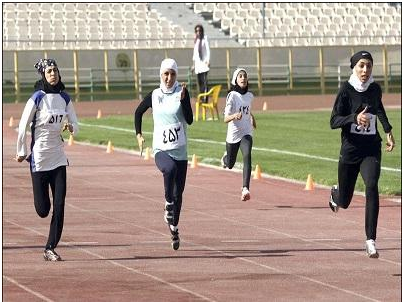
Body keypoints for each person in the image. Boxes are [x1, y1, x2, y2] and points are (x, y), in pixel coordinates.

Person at [329, 50, 395, 258]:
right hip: (350, 150)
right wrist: (353, 119)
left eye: (369, 66)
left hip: (370, 149)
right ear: (354, 67)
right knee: (345, 202)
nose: (365, 70)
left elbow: (379, 108)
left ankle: (370, 240)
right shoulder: (346, 90)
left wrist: (388, 130)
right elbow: (333, 121)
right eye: (361, 66)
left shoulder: (375, 89)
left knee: (372, 185)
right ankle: (336, 193)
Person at [16, 58, 79, 261]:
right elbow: (23, 125)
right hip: (40, 158)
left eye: (56, 70)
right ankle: (44, 213)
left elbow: (76, 124)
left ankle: (50, 247)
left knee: (60, 204)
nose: (53, 74)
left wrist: (71, 128)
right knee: (43, 210)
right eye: (49, 71)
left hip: (58, 158)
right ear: (44, 75)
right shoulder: (37, 98)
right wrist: (21, 150)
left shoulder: (65, 98)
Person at [134, 58, 193, 250]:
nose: (169, 78)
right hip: (161, 150)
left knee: (179, 194)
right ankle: (167, 203)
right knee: (169, 170)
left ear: (177, 76)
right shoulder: (154, 95)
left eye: (172, 74)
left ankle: (174, 228)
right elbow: (138, 112)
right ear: (161, 75)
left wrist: (184, 100)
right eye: (166, 74)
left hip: (181, 152)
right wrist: (139, 135)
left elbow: (190, 120)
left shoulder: (182, 93)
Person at [221, 68, 257, 201]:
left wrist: (252, 117)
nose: (243, 78)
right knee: (230, 164)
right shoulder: (232, 96)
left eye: (245, 76)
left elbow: (247, 110)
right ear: (235, 79)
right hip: (233, 134)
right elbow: (225, 119)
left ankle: (245, 188)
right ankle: (225, 158)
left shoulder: (250, 96)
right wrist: (235, 115)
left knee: (247, 155)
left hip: (246, 132)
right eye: (240, 76)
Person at [192, 24, 210, 103]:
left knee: (204, 81)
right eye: (196, 31)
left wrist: (208, 60)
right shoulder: (196, 40)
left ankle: (205, 98)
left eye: (199, 31)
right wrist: (193, 65)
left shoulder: (205, 38)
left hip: (204, 64)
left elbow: (208, 50)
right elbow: (195, 54)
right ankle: (201, 98)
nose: (198, 32)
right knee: (200, 83)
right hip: (198, 65)